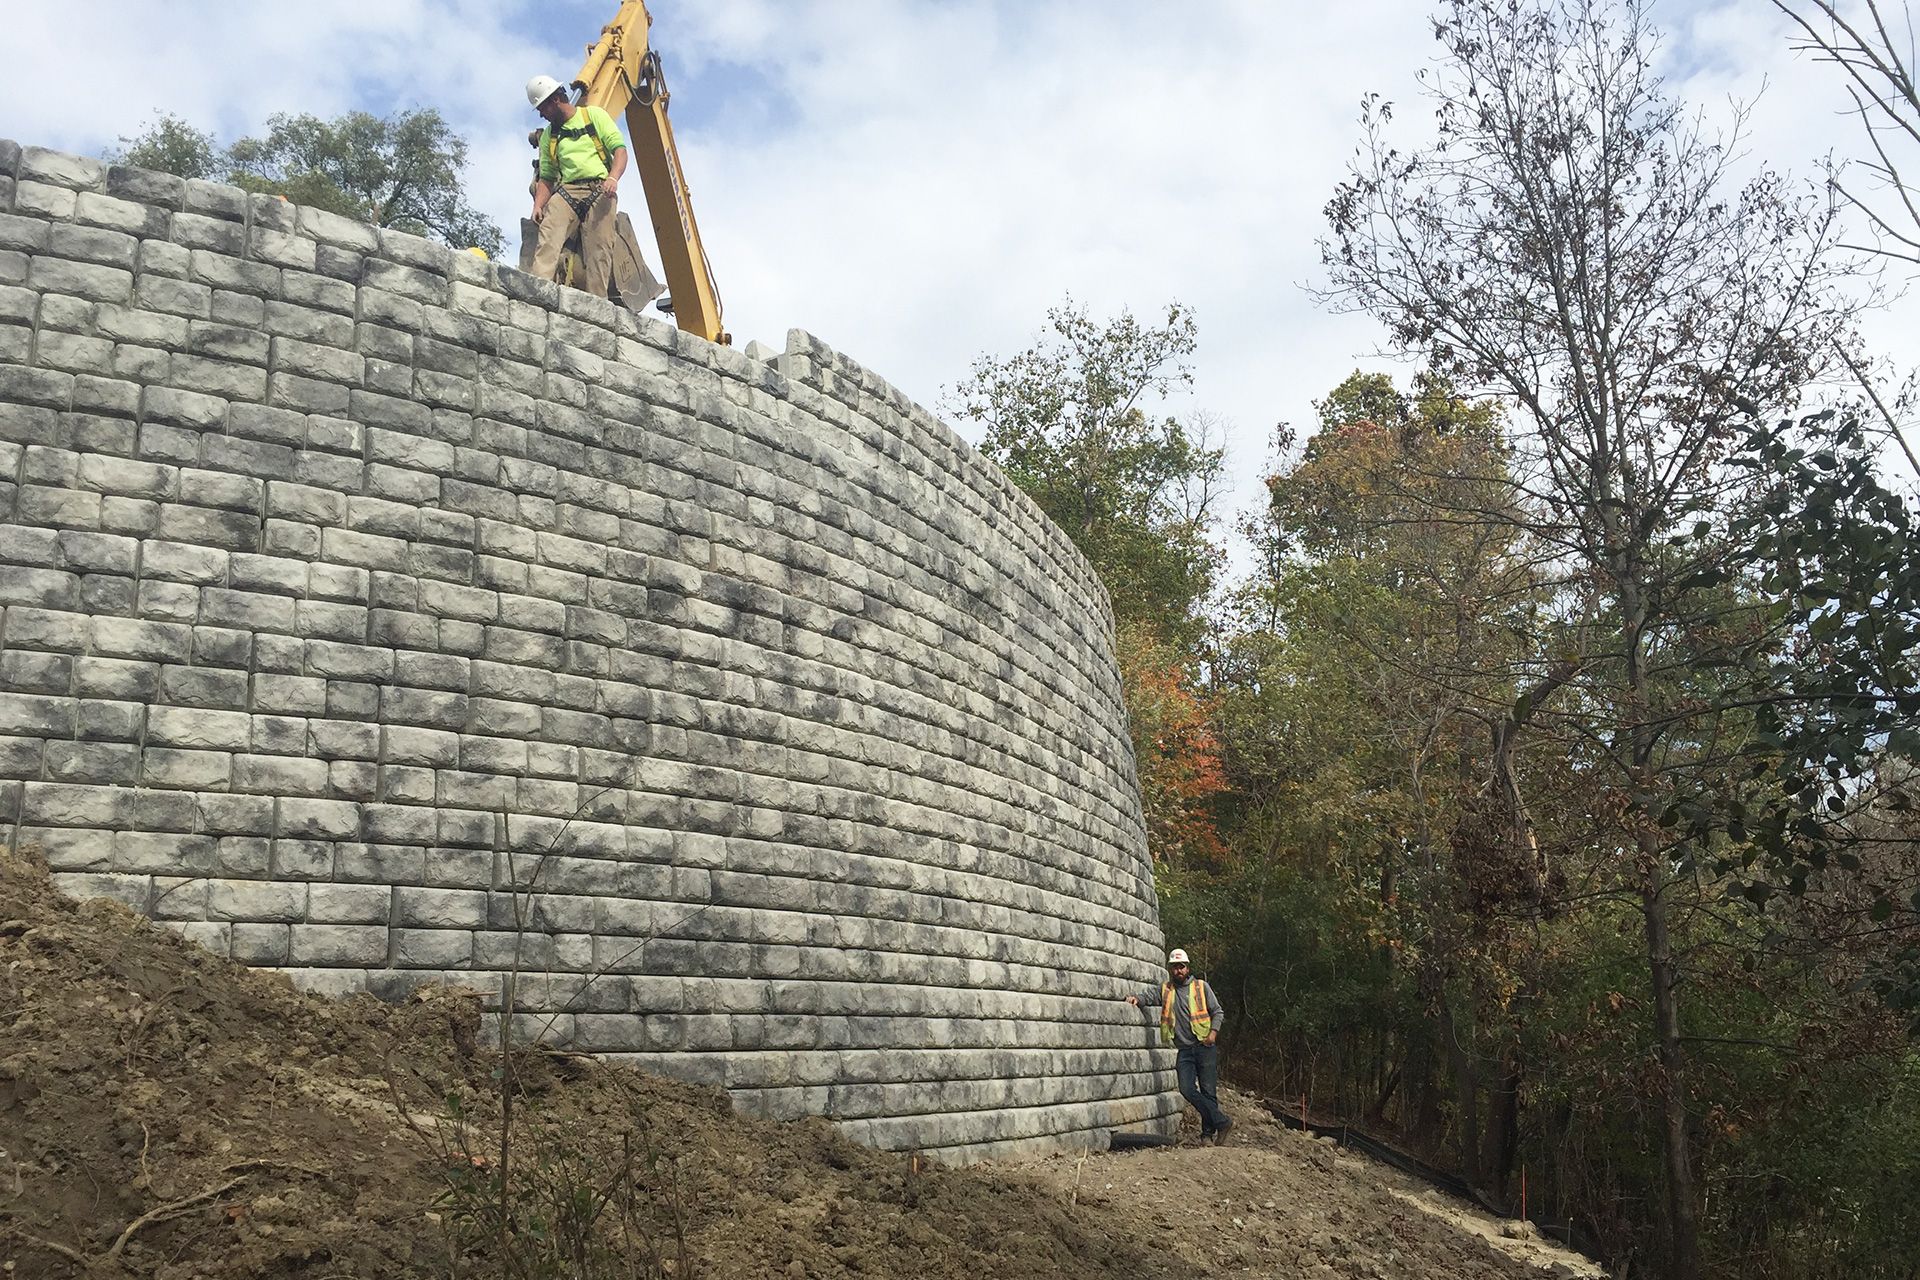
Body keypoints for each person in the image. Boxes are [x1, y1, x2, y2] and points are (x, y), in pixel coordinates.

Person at [524, 74, 629, 298]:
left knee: (600, 250)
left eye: (542, 108)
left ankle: (596, 303)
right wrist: (538, 205)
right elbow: (547, 177)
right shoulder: (549, 135)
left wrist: (613, 178)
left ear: (555, 100)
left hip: (599, 190)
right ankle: (536, 294)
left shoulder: (593, 116)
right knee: (548, 237)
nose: (541, 114)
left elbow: (620, 150)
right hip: (567, 192)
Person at [1126, 948, 1233, 1143]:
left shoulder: (1201, 987)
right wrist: (1136, 999)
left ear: (1187, 968)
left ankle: (1207, 1135)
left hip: (1204, 1046)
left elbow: (1217, 1012)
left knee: (1208, 1091)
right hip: (1184, 1050)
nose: (1178, 971)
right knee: (1186, 1089)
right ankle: (1222, 1122)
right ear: (1170, 969)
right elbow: (1148, 997)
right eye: (1175, 967)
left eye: (1181, 967)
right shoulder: (1166, 990)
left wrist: (1213, 1034)